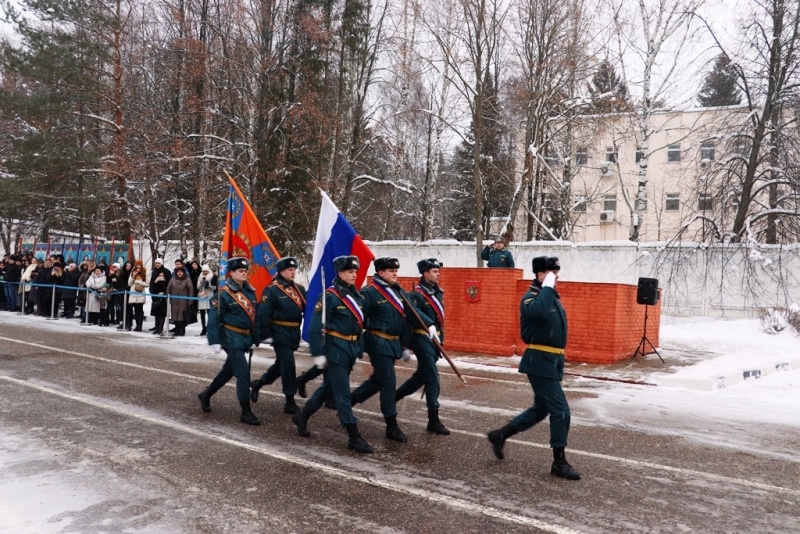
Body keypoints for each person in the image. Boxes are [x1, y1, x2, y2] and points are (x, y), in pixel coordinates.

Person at [486, 256, 581, 480]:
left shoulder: (549, 296)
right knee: (561, 410)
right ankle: (559, 462)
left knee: (542, 408)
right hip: (539, 361)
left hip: (552, 361)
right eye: (551, 273)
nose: (555, 277)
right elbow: (537, 313)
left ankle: (501, 434)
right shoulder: (531, 297)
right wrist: (547, 287)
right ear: (539, 275)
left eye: (556, 273)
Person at [291, 255, 372, 453]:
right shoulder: (330, 297)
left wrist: (359, 348)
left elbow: (358, 325)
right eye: (350, 272)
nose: (354, 275)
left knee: (328, 388)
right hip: (335, 350)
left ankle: (302, 416)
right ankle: (353, 435)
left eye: (355, 271)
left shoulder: (356, 296)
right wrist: (318, 353)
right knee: (342, 393)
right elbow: (314, 328)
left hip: (349, 350)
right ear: (340, 273)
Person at [350, 257, 417, 442]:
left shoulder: (398, 291)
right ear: (380, 273)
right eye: (390, 270)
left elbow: (407, 317)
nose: (395, 273)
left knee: (378, 380)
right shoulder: (370, 292)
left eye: (395, 270)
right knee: (388, 381)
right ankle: (391, 425)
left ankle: (349, 400)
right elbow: (357, 316)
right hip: (377, 342)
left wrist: (405, 344)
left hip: (393, 343)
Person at [197, 257, 261, 426]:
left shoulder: (250, 292)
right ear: (231, 273)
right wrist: (214, 340)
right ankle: (245, 411)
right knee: (243, 372)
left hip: (245, 337)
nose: (244, 273)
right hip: (230, 338)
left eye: (245, 271)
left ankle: (207, 394)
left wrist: (255, 338)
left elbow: (255, 318)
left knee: (229, 371)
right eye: (240, 271)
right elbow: (213, 319)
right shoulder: (223, 294)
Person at [395, 257, 450, 435]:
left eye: (438, 271)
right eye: (434, 271)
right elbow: (413, 314)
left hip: (433, 341)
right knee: (433, 377)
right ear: (425, 274)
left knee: (421, 377)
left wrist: (440, 338)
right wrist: (428, 324)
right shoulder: (416, 294)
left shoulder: (438, 292)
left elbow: (439, 321)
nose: (438, 274)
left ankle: (394, 397)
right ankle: (433, 419)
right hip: (420, 339)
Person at [250, 257, 307, 415]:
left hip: (294, 332)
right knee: (289, 364)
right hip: (279, 331)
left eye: (294, 270)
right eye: (290, 270)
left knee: (280, 365)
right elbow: (263, 314)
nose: (293, 272)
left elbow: (307, 308)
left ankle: (258, 383)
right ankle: (289, 400)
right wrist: (265, 335)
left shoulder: (299, 289)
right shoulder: (272, 290)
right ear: (281, 272)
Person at [166, 265, 193, 336]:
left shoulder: (187, 280)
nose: (179, 273)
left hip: (183, 301)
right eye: (178, 272)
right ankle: (177, 330)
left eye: (181, 272)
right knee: (175, 316)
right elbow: (168, 289)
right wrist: (168, 298)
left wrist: (190, 301)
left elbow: (191, 290)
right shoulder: (173, 279)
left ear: (183, 273)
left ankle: (182, 331)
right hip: (174, 301)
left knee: (182, 317)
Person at [196, 264, 217, 336]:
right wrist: (201, 282)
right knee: (202, 314)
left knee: (209, 313)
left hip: (209, 295)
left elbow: (214, 288)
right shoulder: (200, 276)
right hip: (202, 296)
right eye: (203, 271)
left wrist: (208, 285)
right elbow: (198, 287)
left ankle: (209, 328)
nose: (205, 272)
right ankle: (203, 328)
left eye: (206, 271)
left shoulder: (212, 276)